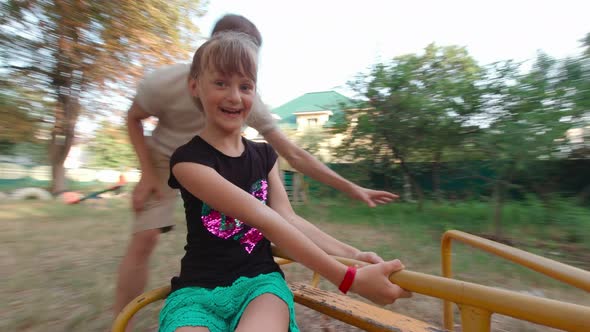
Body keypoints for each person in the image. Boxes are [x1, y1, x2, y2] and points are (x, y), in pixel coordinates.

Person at [115, 14, 399, 318]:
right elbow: (133, 117)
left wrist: (352, 201)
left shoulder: (256, 129)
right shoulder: (165, 83)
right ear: (197, 81)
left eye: (245, 81)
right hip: (165, 157)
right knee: (144, 238)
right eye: (222, 79)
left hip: (231, 170)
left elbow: (292, 163)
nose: (235, 94)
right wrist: (145, 173)